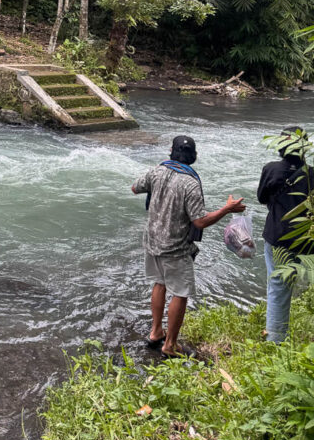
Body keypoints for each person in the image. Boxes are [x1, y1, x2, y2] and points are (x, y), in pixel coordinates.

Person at [132, 135, 246, 357]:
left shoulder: (157, 171)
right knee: (180, 294)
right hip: (176, 247)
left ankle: (156, 333)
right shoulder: (190, 183)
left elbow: (135, 188)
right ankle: (170, 345)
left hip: (153, 241)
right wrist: (227, 209)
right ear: (193, 156)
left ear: (172, 153)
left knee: (159, 283)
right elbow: (200, 221)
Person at [258, 126, 313, 343]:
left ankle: (275, 340)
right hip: (307, 239)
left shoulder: (271, 169)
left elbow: (262, 198)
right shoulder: (312, 174)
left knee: (278, 288)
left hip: (277, 237)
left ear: (281, 146)